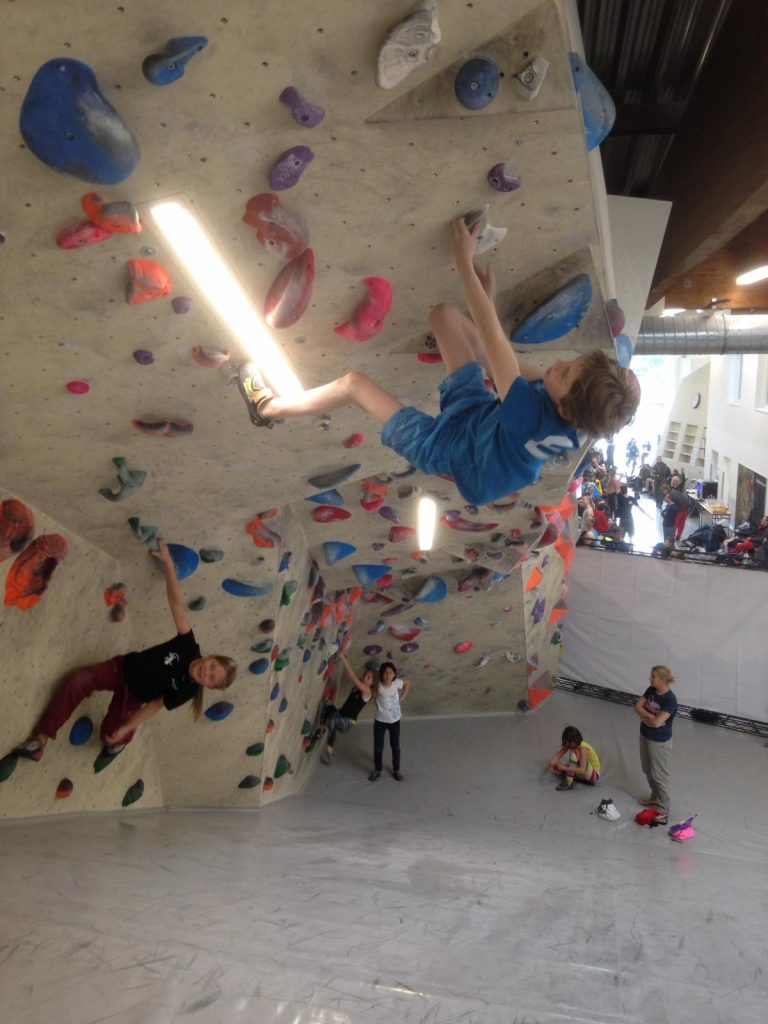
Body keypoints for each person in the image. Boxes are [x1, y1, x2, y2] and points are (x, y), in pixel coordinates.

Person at [236, 218, 640, 505]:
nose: (558, 365)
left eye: (565, 372)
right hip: (480, 423)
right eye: (570, 362)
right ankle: (465, 378)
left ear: (566, 406)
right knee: (445, 316)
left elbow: (494, 342)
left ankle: (267, 408)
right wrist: (487, 306)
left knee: (354, 384)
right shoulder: (579, 414)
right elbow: (497, 351)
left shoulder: (530, 413)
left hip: (450, 451)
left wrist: (463, 260)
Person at [10, 541, 237, 764]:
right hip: (120, 668)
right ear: (211, 657)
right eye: (212, 667)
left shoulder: (188, 689)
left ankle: (121, 741)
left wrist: (127, 728)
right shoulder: (188, 645)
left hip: (134, 698)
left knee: (110, 734)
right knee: (78, 680)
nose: (206, 672)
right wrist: (169, 564)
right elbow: (176, 603)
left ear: (208, 686)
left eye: (210, 679)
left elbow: (155, 705)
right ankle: (41, 739)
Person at [633, 665, 678, 824]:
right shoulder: (651, 690)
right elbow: (637, 706)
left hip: (659, 742)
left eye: (653, 677)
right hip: (645, 735)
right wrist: (650, 718)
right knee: (647, 770)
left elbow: (658, 723)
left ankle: (664, 808)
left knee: (659, 775)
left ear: (663, 679)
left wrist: (650, 719)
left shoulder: (670, 700)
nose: (650, 679)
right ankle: (654, 797)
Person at [319, 648, 374, 765]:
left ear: (372, 683)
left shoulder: (367, 692)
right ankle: (322, 729)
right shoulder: (359, 685)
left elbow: (353, 677)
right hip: (340, 715)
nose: (365, 677)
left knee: (333, 720)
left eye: (369, 677)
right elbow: (354, 674)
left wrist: (343, 658)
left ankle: (329, 750)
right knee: (328, 704)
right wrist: (346, 657)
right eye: (365, 675)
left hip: (347, 723)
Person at [369, 661, 411, 782]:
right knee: (378, 747)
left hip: (395, 720)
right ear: (381, 674)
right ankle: (377, 769)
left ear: (394, 674)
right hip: (380, 721)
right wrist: (375, 701)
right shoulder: (378, 685)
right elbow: (371, 694)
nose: (388, 675)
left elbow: (408, 683)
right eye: (385, 673)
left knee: (395, 746)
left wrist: (403, 697)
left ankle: (396, 769)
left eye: (391, 672)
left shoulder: (397, 683)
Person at [548, 725, 601, 790]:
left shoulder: (583, 749)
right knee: (555, 767)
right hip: (582, 773)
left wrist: (565, 768)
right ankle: (573, 777)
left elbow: (582, 770)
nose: (567, 744)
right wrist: (553, 765)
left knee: (574, 752)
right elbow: (553, 760)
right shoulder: (571, 744)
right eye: (566, 742)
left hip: (593, 775)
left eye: (568, 742)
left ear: (574, 740)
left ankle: (569, 782)